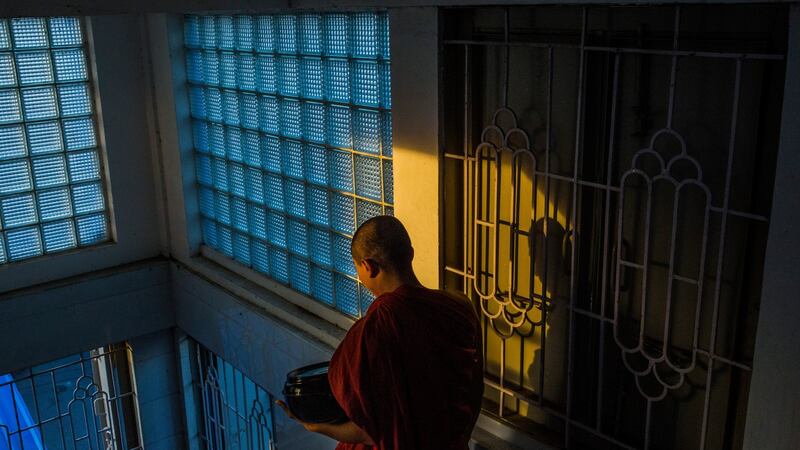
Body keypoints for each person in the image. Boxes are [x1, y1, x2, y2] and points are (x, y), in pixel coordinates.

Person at [277, 216, 484, 449]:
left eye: (359, 271)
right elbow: (475, 389)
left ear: (368, 266)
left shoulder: (376, 329)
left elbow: (369, 431)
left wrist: (314, 426)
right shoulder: (461, 306)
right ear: (411, 254)